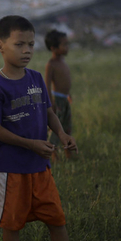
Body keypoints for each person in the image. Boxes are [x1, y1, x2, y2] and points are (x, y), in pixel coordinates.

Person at [0, 15, 90, 241]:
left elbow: (48, 112)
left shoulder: (35, 78)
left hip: (40, 167)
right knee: (12, 224)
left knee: (57, 219)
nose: (27, 50)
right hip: (11, 168)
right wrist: (30, 143)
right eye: (19, 44)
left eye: (30, 44)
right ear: (0, 46)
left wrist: (63, 134)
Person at [44, 29, 73, 160]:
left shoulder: (63, 61)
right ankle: (53, 153)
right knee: (57, 128)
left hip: (64, 99)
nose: (67, 47)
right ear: (54, 48)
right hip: (57, 101)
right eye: (64, 45)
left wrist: (68, 94)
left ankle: (68, 152)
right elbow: (47, 85)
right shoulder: (51, 64)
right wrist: (51, 103)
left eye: (67, 44)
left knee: (67, 127)